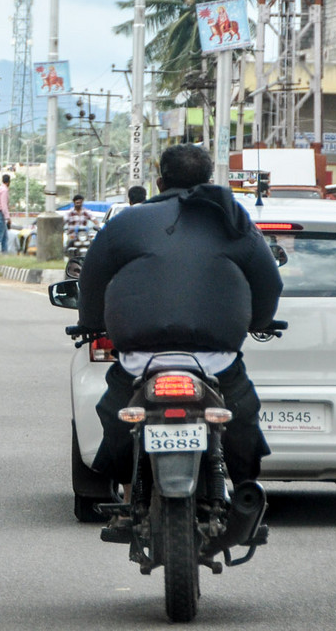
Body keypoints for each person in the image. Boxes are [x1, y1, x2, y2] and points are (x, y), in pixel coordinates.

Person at [78, 144, 283, 488]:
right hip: (215, 361)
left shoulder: (124, 223)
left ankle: (127, 494)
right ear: (208, 178)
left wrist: (91, 323)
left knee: (116, 415)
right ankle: (245, 495)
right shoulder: (233, 222)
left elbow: (92, 281)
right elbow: (268, 283)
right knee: (241, 416)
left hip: (139, 360)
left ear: (159, 182)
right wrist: (260, 322)